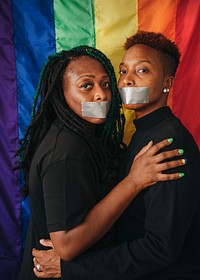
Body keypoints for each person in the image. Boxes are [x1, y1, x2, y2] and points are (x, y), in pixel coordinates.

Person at [33, 32, 200, 279]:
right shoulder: (142, 132)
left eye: (142, 71)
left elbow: (161, 248)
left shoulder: (167, 143)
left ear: (168, 82)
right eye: (123, 72)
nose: (127, 81)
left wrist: (71, 269)